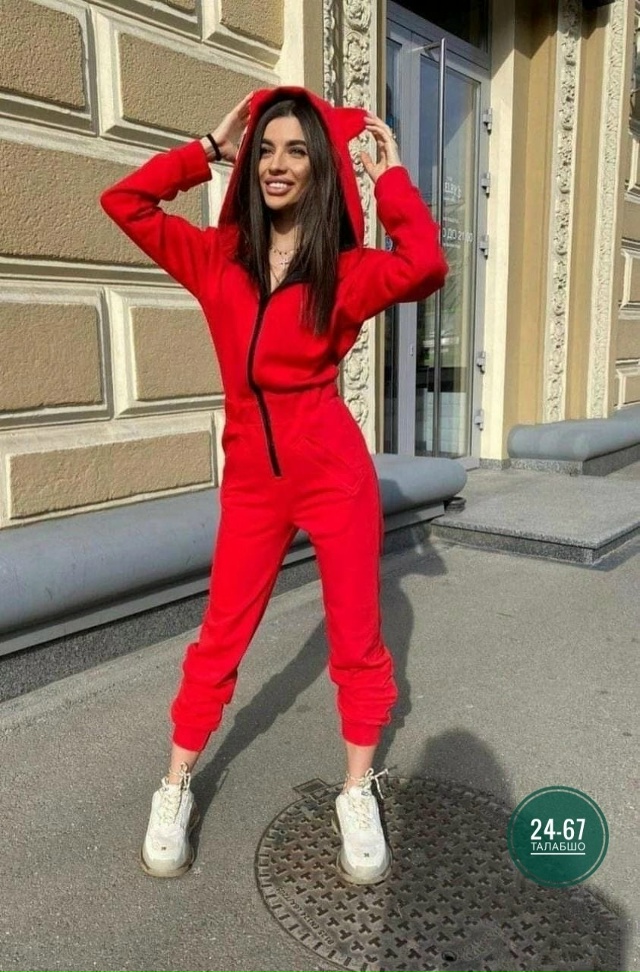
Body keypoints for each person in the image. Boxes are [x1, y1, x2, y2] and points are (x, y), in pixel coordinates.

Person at [100, 85, 448, 886]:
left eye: (295, 150)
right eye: (264, 150)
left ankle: (356, 791)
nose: (276, 164)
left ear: (319, 166)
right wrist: (205, 150)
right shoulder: (217, 258)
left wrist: (391, 182)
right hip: (254, 485)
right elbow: (124, 202)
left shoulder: (346, 273)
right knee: (220, 637)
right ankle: (175, 784)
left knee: (356, 640)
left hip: (333, 475)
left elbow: (427, 264)